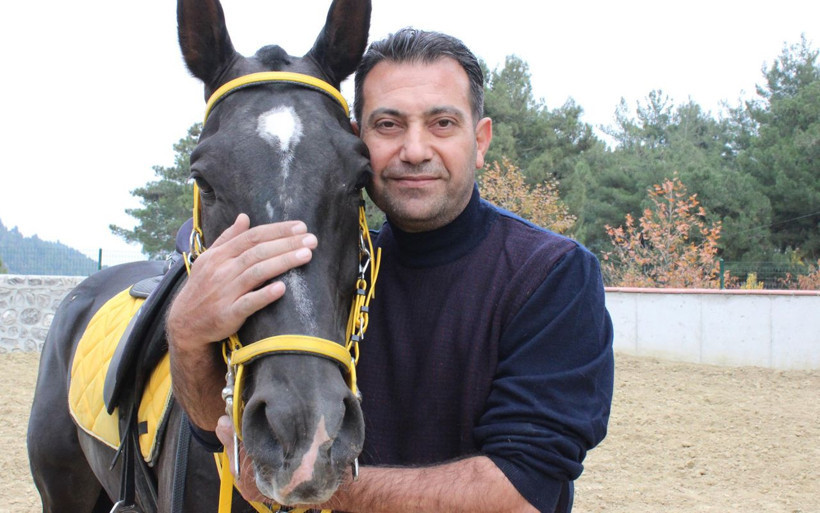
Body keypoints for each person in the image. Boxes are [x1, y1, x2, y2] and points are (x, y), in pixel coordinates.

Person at [167, 28, 614, 513]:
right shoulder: (327, 271)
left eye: (442, 123)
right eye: (388, 125)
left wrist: (318, 482)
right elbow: (220, 431)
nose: (415, 150)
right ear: (358, 141)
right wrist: (187, 336)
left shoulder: (551, 275)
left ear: (480, 141)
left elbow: (520, 494)